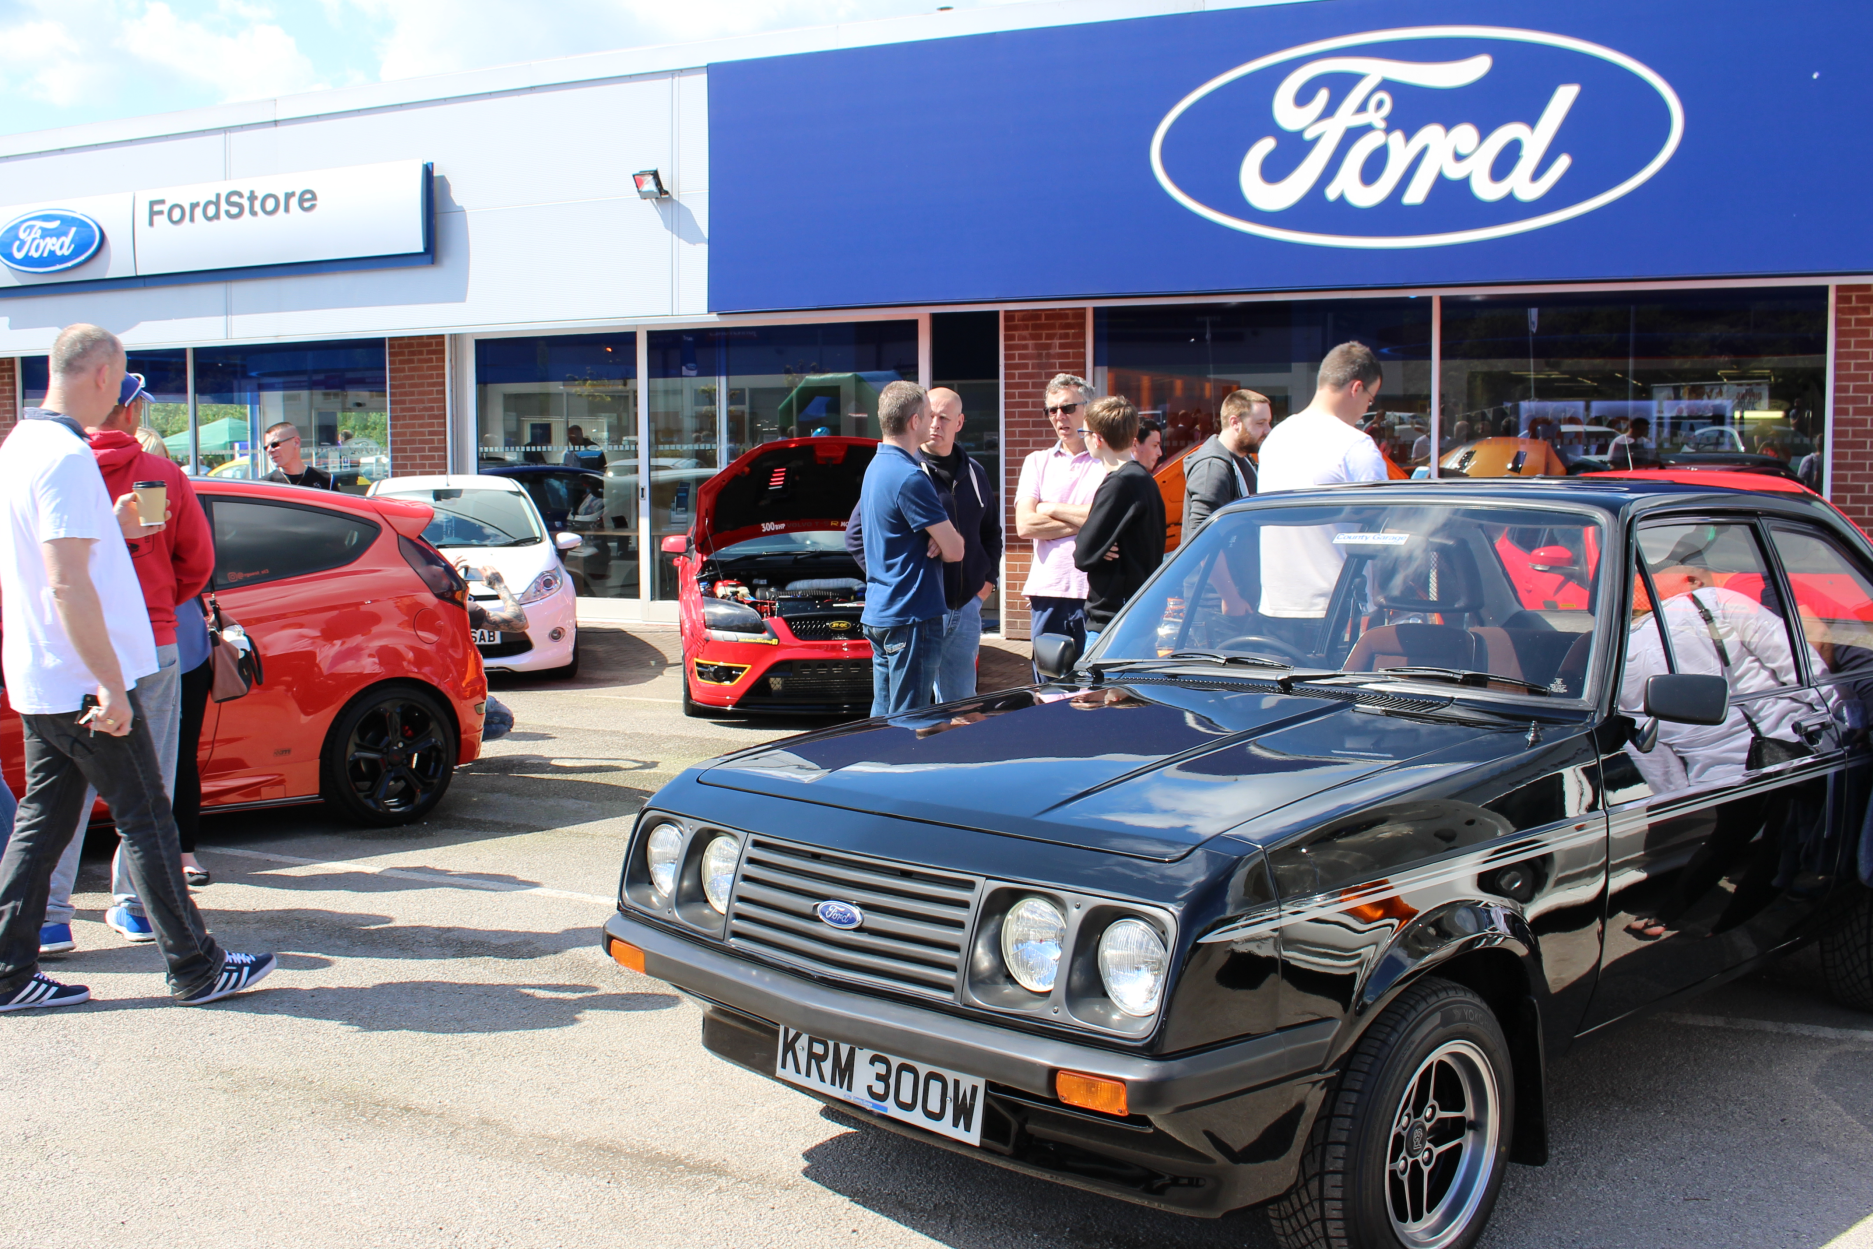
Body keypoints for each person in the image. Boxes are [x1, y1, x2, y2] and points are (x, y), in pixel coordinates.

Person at [0, 324, 274, 1010]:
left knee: (43, 821)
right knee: (149, 817)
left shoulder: (21, 446)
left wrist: (113, 527)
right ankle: (197, 966)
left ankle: (7, 973)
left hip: (44, 672)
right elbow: (67, 582)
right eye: (120, 382)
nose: (123, 401)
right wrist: (109, 683)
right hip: (81, 679)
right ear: (101, 376)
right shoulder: (63, 457)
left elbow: (53, 559)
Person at [41, 368, 214, 953]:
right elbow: (197, 562)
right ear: (131, 411)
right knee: (152, 780)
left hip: (72, 641)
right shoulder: (158, 476)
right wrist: (161, 598)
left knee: (68, 784)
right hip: (150, 638)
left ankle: (50, 913)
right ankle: (134, 905)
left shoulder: (58, 471)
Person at [1255, 342, 1391, 642]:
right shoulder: (1355, 446)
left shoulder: (1276, 439)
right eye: (1371, 398)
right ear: (1356, 388)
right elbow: (1383, 531)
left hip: (1275, 606)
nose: (1368, 407)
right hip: (1338, 612)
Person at [857, 381, 964, 717]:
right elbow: (957, 550)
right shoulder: (909, 476)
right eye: (928, 414)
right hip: (911, 615)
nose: (932, 422)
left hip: (881, 611)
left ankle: (871, 770)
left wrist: (933, 538)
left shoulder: (874, 468)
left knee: (884, 719)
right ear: (914, 421)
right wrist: (941, 538)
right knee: (908, 722)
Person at [1015, 374, 1104, 653]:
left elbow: (1109, 519)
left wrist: (1050, 507)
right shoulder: (1036, 462)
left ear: (1088, 409)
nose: (1058, 416)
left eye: (1067, 408)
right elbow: (1025, 525)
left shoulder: (1107, 460)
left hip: (1094, 591)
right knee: (1047, 686)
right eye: (1051, 410)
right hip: (1047, 591)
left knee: (1092, 686)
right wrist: (1087, 520)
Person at [1072, 397, 1165, 642]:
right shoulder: (1144, 480)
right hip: (1136, 614)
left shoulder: (1120, 483)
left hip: (1114, 620)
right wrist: (1102, 545)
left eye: (1084, 431)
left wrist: (1098, 545)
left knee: (1103, 682)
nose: (1084, 438)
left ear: (1098, 438)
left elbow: (1083, 553)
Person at [1181, 389, 1272, 546]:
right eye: (1260, 423)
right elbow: (1203, 541)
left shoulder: (1245, 459)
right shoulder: (1213, 468)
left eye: (1268, 422)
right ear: (1235, 423)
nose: (1268, 430)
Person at [456, 562, 529, 739]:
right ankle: (454, 743)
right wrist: (499, 585)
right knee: (502, 719)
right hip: (453, 692)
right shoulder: (460, 609)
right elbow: (519, 621)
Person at [262, 420, 335, 489]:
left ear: (296, 442)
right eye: (266, 447)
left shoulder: (327, 480)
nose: (269, 450)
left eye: (275, 444)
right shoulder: (265, 485)